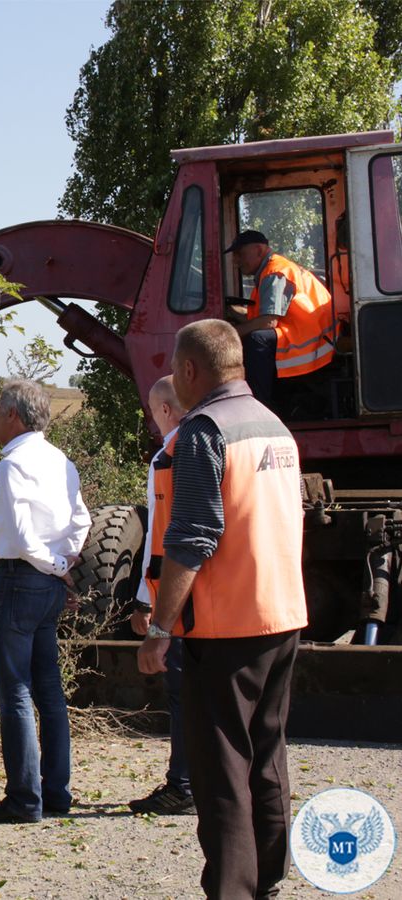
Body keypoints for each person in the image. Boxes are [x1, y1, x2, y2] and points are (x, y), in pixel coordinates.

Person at [138, 319, 308, 899]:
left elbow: (192, 536)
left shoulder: (203, 431)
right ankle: (267, 880)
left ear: (189, 371)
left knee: (221, 773)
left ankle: (232, 890)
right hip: (282, 614)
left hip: (226, 625)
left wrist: (160, 627)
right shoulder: (274, 426)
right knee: (267, 757)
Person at [0, 379, 91, 824]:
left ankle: (24, 799)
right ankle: (55, 791)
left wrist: (48, 563)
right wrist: (63, 564)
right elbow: (80, 518)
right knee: (49, 691)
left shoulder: (13, 464)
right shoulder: (60, 460)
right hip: (49, 583)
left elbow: (22, 537)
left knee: (16, 693)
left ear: (13, 416)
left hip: (20, 579)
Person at [127, 376, 194, 816]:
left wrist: (145, 601)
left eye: (154, 413)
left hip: (179, 597)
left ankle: (183, 785)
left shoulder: (168, 455)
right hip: (221, 593)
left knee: (182, 690)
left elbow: (160, 535)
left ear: (165, 411)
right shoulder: (219, 440)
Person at [225, 229, 335, 407]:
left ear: (259, 250)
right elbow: (261, 318)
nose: (236, 261)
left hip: (311, 342)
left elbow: (268, 322)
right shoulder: (272, 270)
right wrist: (232, 313)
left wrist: (229, 334)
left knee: (257, 340)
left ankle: (259, 405)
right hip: (316, 335)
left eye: (240, 254)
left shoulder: (275, 273)